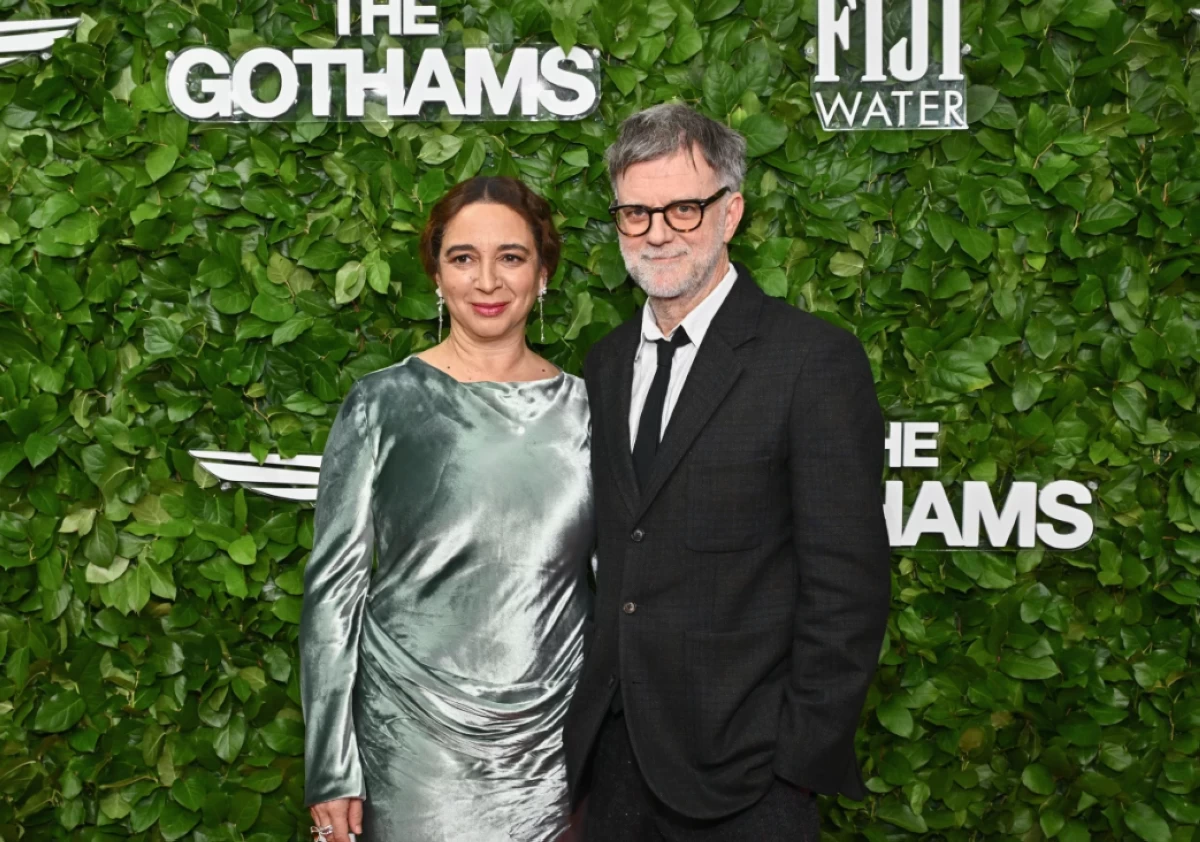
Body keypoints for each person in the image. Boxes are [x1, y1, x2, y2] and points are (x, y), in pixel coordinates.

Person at [563, 103, 892, 841]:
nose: (658, 233)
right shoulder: (606, 363)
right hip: (612, 772)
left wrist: (796, 760)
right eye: (636, 213)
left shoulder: (811, 361)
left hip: (748, 779)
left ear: (731, 212)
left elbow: (848, 587)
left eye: (683, 208)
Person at [300, 176, 593, 842]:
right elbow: (333, 595)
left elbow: (623, 587)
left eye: (511, 257)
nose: (487, 280)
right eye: (463, 257)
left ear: (544, 273)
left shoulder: (591, 411)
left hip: (555, 749)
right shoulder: (381, 403)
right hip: (410, 746)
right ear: (436, 274)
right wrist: (331, 766)